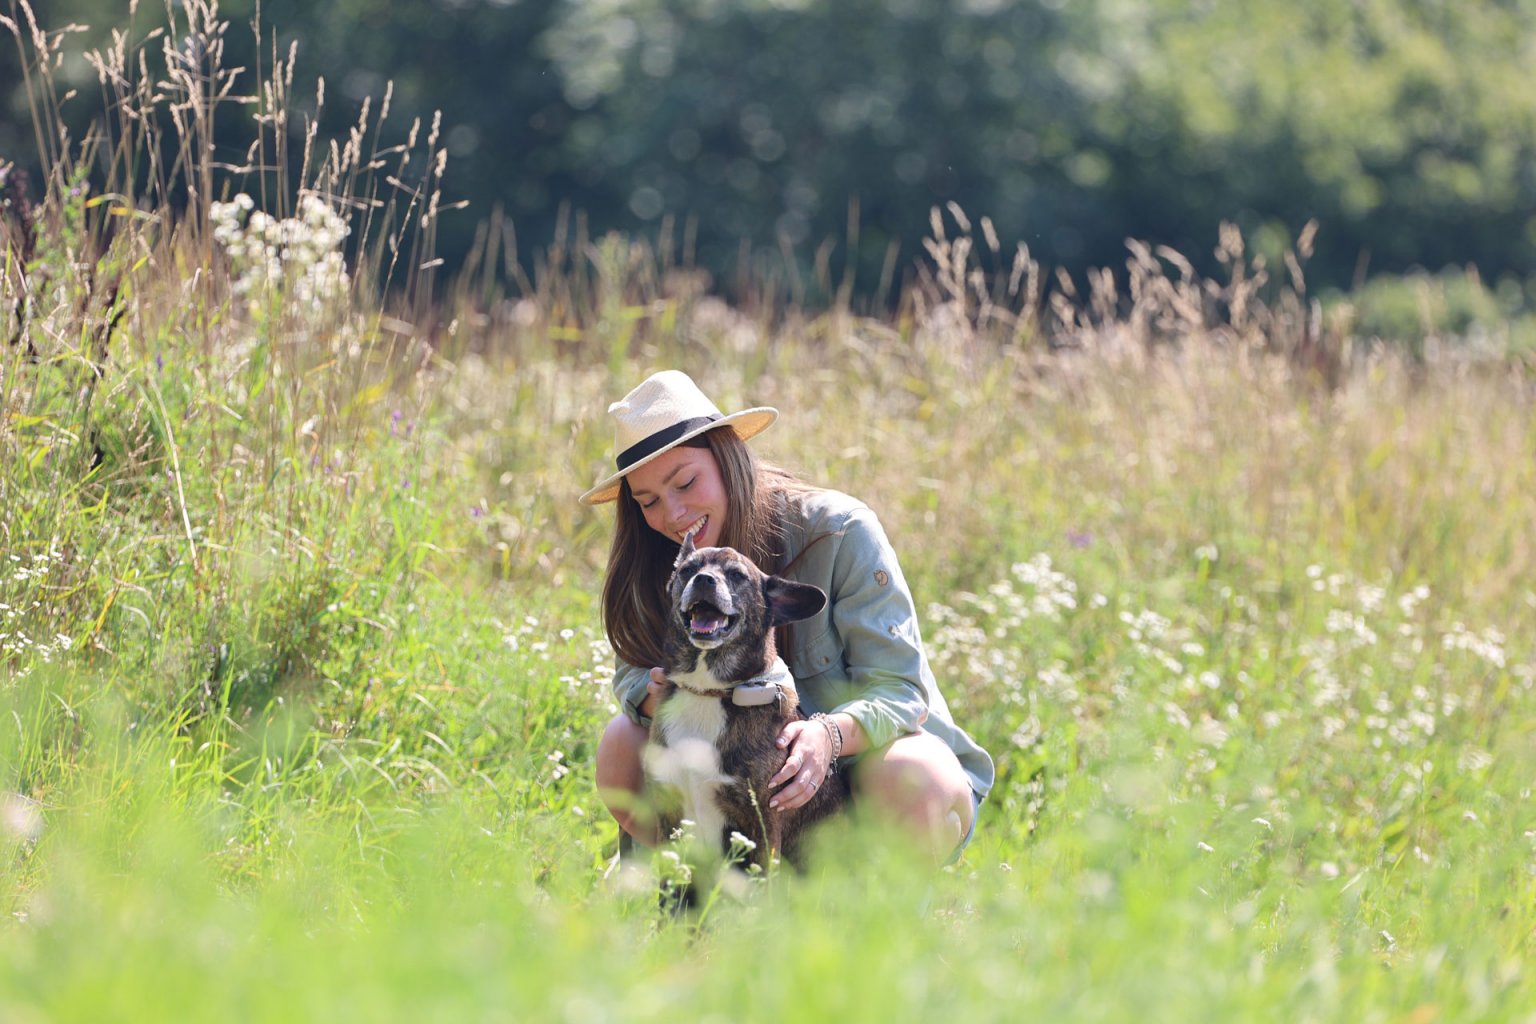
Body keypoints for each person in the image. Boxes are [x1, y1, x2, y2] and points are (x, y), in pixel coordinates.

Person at [582, 370, 994, 862]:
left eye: (686, 482)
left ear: (728, 456)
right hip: (733, 786)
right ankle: (700, 900)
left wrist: (828, 736)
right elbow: (631, 674)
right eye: (648, 501)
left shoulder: (840, 531)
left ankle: (881, 917)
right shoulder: (667, 556)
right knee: (620, 747)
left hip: (863, 773)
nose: (672, 515)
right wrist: (660, 698)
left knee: (914, 778)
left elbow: (901, 690)